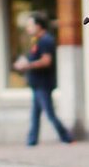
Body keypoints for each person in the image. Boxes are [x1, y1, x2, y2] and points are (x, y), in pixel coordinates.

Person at [13, 14, 73, 146]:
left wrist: (27, 65)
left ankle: (66, 137)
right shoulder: (37, 40)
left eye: (30, 25)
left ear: (38, 26)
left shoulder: (46, 40)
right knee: (35, 114)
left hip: (43, 84)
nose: (28, 28)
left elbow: (46, 61)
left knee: (49, 112)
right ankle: (32, 140)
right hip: (37, 83)